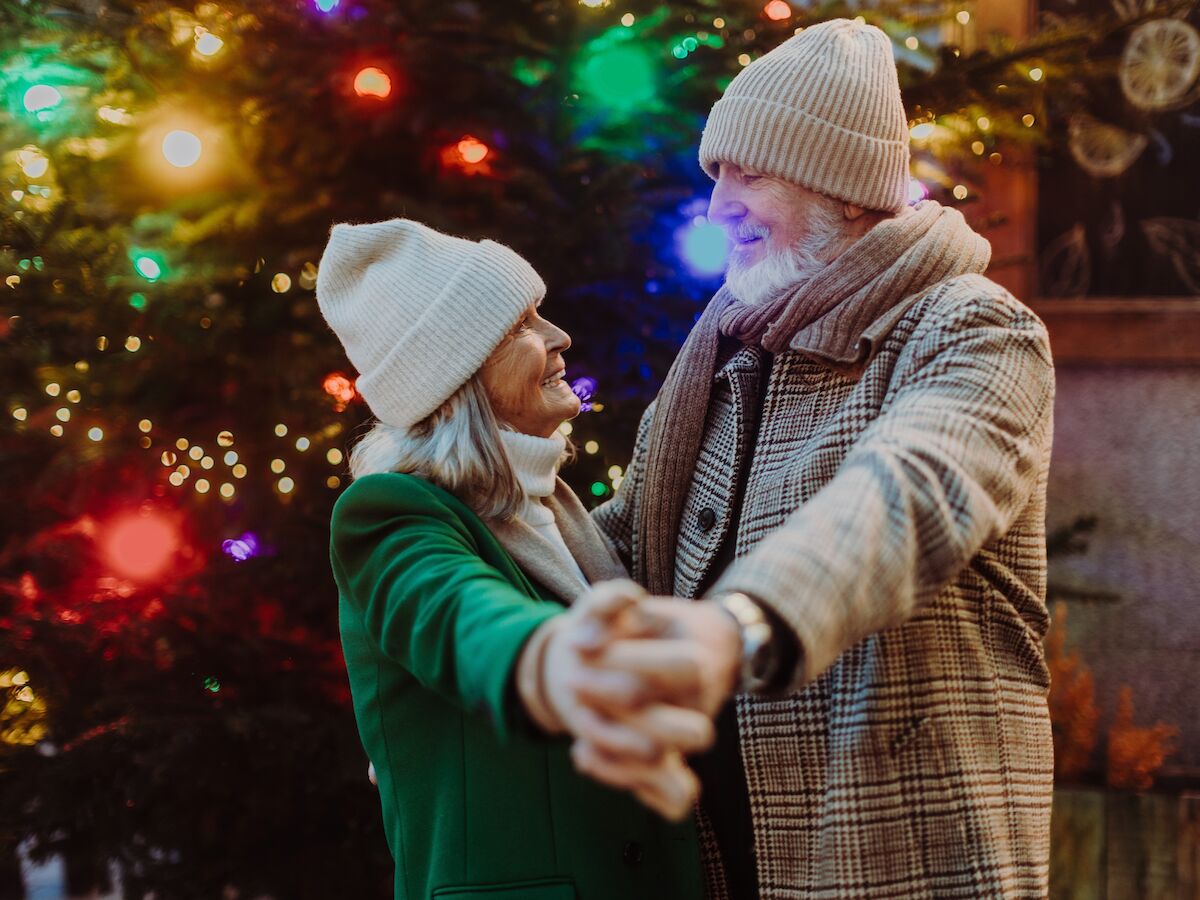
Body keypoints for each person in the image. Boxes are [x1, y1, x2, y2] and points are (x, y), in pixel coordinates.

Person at [584, 19, 1058, 899]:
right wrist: (470, 687)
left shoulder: (976, 326)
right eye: (715, 172)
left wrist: (738, 626)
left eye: (750, 173)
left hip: (907, 865)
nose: (718, 203)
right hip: (725, 865)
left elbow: (909, 494)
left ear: (843, 191)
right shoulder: (726, 355)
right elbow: (611, 545)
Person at [316, 219, 711, 900]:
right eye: (523, 326)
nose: (559, 338)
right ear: (460, 373)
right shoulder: (391, 513)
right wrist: (555, 661)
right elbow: (462, 618)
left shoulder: (552, 506)